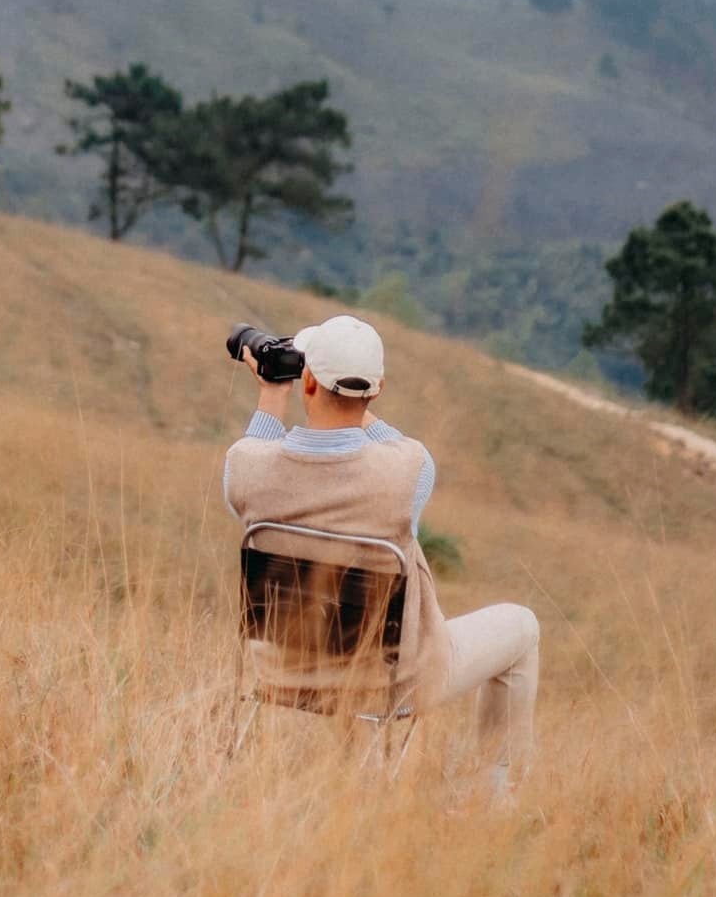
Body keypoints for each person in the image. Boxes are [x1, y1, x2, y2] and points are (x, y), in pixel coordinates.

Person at [224, 313, 540, 794]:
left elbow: (255, 449)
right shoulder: (409, 472)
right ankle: (492, 795)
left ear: (306, 379)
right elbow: (389, 442)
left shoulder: (249, 469)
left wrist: (273, 393)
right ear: (378, 390)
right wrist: (355, 395)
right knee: (522, 627)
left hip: (281, 670)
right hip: (391, 682)